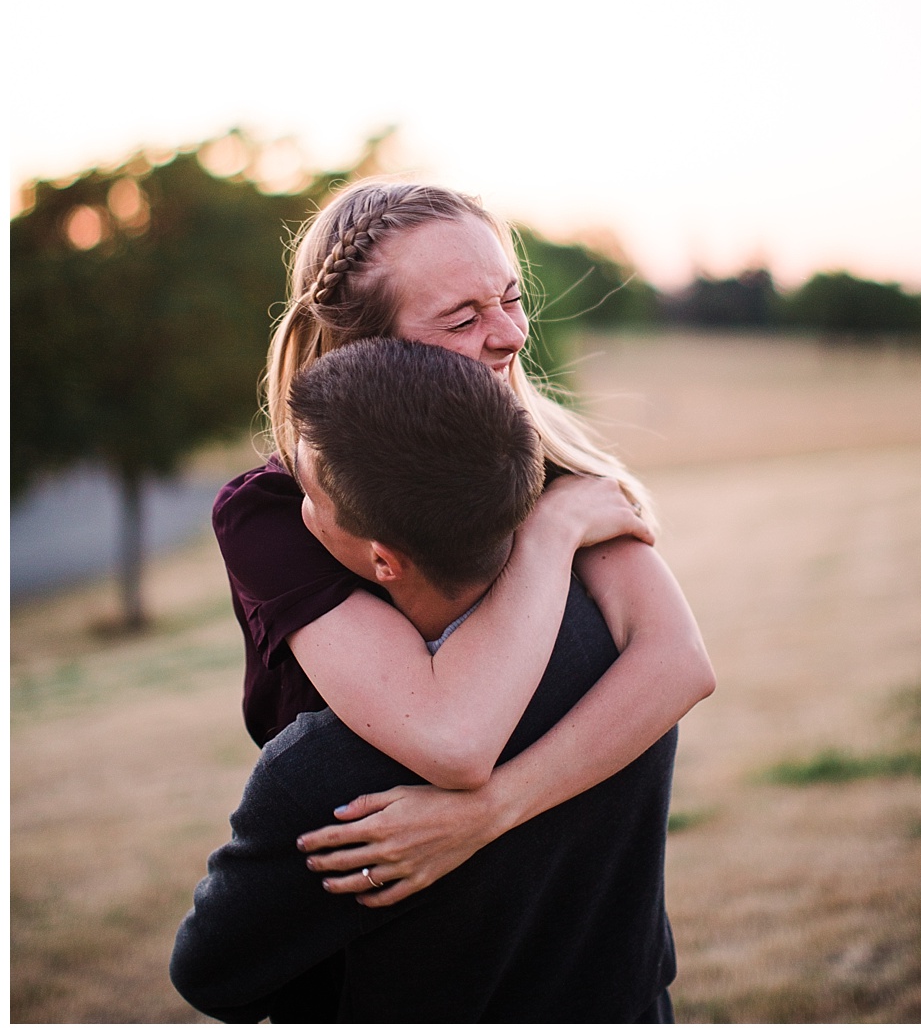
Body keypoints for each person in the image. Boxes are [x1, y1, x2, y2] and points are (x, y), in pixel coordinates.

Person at [212, 179, 714, 907]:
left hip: (591, 940)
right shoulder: (280, 515)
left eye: (511, 298)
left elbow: (677, 663)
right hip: (384, 957)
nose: (511, 334)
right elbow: (450, 737)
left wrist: (491, 811)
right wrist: (550, 537)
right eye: (462, 317)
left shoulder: (553, 464)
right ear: (367, 351)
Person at [172, 337, 682, 1022]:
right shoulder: (614, 654)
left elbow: (210, 974)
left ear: (384, 560)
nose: (506, 334)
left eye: (311, 497)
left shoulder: (324, 776)